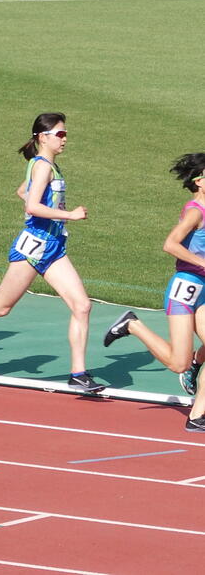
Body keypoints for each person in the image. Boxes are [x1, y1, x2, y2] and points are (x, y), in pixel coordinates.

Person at [0, 113, 105, 393]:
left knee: (82, 305)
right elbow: (32, 207)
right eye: (59, 134)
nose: (64, 139)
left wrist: (53, 216)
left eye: (65, 134)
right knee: (2, 306)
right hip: (34, 246)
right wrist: (69, 215)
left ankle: (78, 373)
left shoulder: (47, 165)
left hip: (53, 247)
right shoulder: (42, 167)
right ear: (42, 137)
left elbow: (23, 191)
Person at [102, 153, 205, 431]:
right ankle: (132, 325)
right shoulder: (196, 210)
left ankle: (197, 416)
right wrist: (202, 262)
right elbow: (170, 244)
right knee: (177, 364)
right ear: (199, 181)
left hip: (204, 289)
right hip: (185, 287)